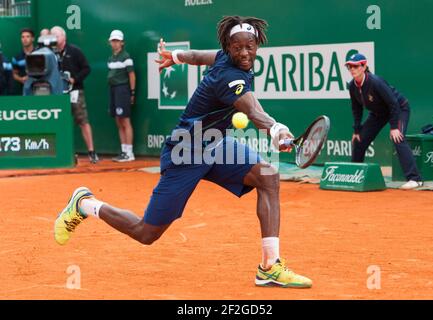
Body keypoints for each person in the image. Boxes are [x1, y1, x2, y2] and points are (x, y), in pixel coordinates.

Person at [54, 16, 312, 289]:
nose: (245, 53)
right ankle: (84, 204)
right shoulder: (229, 75)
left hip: (215, 144)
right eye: (238, 48)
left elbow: (199, 55)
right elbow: (253, 111)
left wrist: (175, 57)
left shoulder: (225, 57)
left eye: (250, 46)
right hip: (185, 153)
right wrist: (276, 130)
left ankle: (270, 267)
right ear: (229, 48)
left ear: (256, 43)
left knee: (268, 175)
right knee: (146, 233)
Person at [346, 53, 423, 190]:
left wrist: (394, 127)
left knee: (398, 138)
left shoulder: (376, 82)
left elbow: (393, 103)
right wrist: (357, 130)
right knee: (359, 140)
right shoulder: (352, 86)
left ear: (364, 67)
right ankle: (354, 176)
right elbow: (356, 108)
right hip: (379, 113)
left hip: (399, 108)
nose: (352, 69)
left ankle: (415, 179)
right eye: (349, 66)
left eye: (355, 66)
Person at [50, 26, 99, 164]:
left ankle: (91, 152)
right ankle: (62, 154)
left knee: (83, 121)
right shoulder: (50, 53)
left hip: (75, 91)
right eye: (52, 35)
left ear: (64, 37)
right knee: (60, 123)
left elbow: (86, 68)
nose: (55, 38)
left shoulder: (74, 51)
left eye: (57, 36)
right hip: (57, 94)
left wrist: (74, 79)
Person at [107, 30, 136, 162]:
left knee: (125, 120)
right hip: (113, 90)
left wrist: (132, 92)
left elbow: (131, 75)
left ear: (122, 42)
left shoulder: (126, 57)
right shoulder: (111, 58)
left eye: (117, 41)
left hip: (122, 90)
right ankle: (124, 151)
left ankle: (129, 153)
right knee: (118, 120)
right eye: (113, 41)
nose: (115, 43)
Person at [12, 28, 35, 93]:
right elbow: (14, 74)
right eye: (23, 37)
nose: (25, 39)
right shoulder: (16, 57)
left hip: (40, 89)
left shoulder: (40, 54)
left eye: (28, 36)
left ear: (33, 39)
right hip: (24, 91)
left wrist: (32, 78)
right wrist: (21, 79)